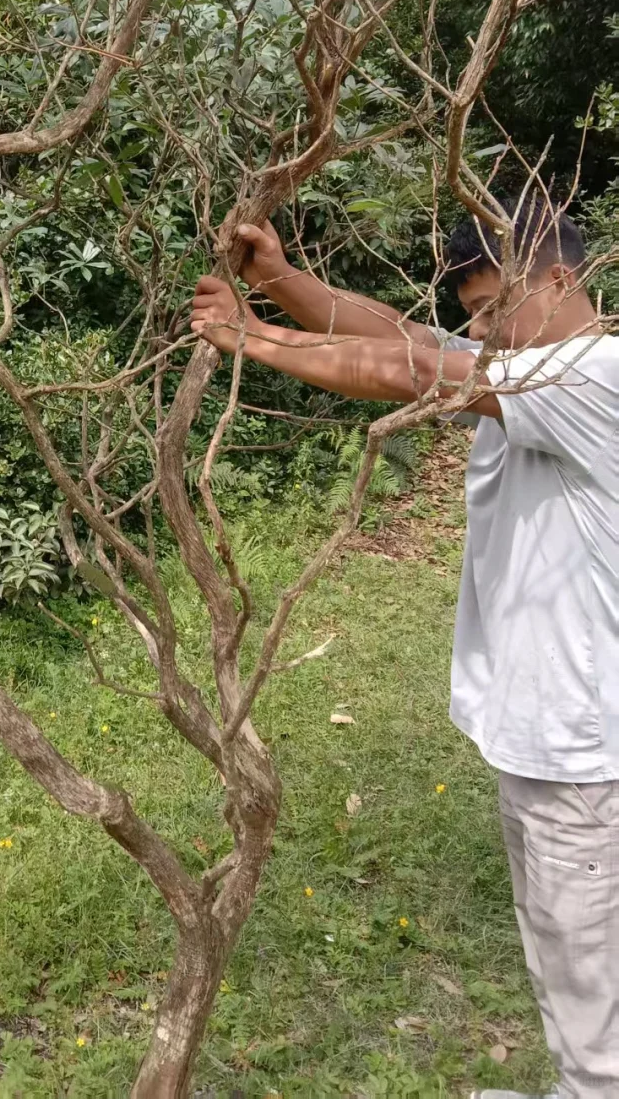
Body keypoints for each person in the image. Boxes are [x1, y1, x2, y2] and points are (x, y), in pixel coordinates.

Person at [191, 200, 619, 1099]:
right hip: (549, 743)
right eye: (472, 312)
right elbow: (399, 330)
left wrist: (255, 338)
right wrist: (274, 275)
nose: (477, 328)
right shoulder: (531, 368)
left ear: (558, 280)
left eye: (493, 306)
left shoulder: (593, 374)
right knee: (562, 961)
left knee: (594, 1002)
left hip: (587, 758)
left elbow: (414, 363)